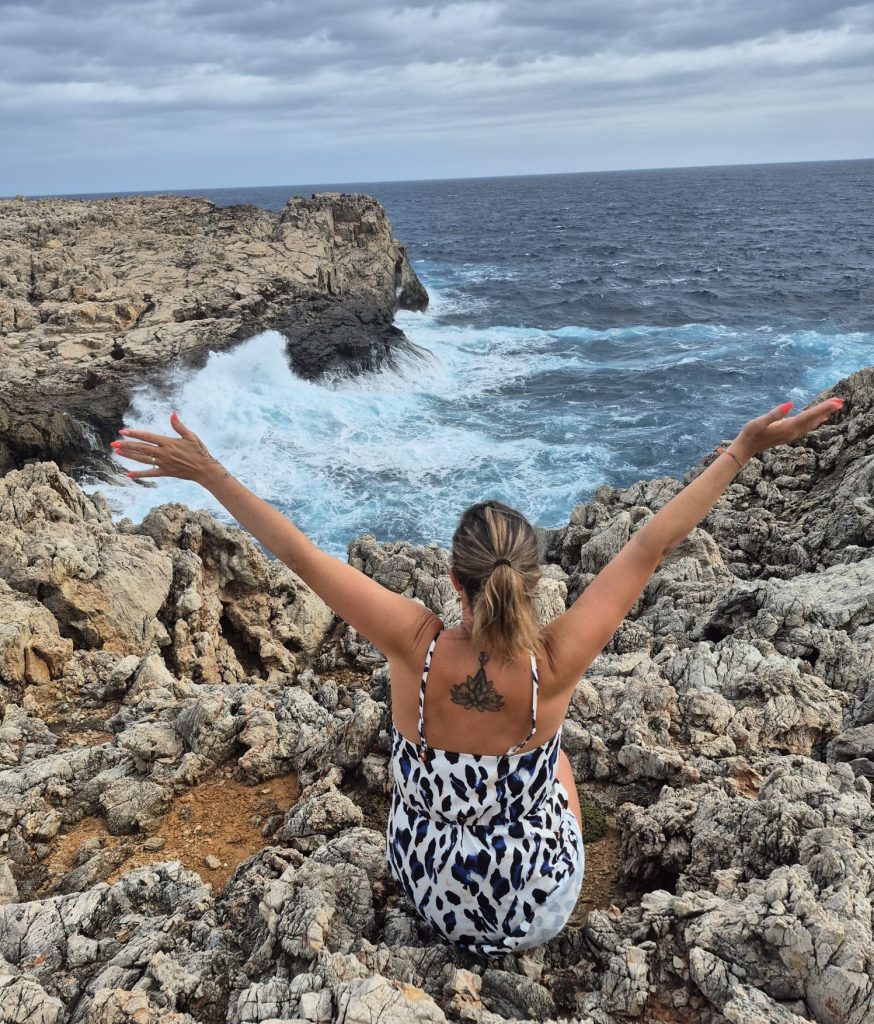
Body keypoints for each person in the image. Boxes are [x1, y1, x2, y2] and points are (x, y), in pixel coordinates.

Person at [111, 394, 845, 955]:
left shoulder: (412, 642)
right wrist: (741, 451)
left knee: (460, 770)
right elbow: (650, 547)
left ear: (453, 583)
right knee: (551, 757)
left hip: (433, 891)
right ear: (532, 583)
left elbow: (301, 557)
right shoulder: (552, 666)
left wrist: (212, 475)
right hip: (538, 907)